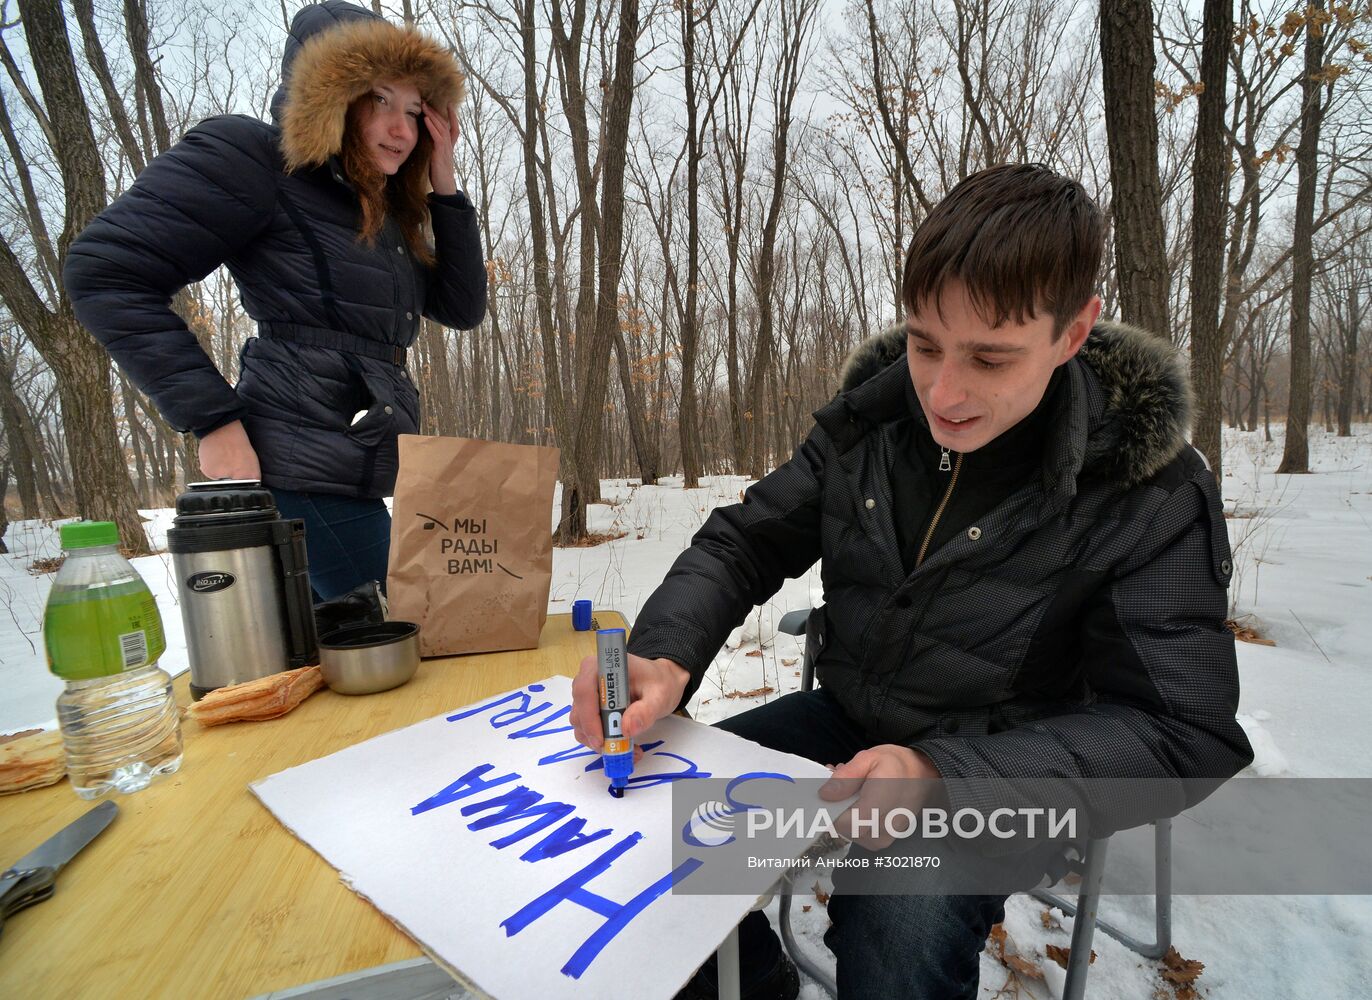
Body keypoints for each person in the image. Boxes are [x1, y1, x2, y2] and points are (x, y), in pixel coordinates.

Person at [569, 164, 1253, 999]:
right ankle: (753, 982)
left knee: (896, 913)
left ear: (1073, 335)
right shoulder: (873, 421)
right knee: (657, 825)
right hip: (850, 717)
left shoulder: (1148, 489)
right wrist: (663, 653)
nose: (944, 390)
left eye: (990, 358)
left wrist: (940, 775)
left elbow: (1182, 728)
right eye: (926, 343)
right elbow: (743, 542)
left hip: (1000, 765)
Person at [64, 0, 486, 600]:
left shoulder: (379, 207)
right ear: (330, 96)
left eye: (415, 111)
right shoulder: (252, 158)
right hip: (293, 461)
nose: (401, 129)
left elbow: (462, 307)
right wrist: (213, 420)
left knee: (344, 660)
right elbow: (105, 270)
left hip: (350, 463)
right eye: (381, 101)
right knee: (410, 631)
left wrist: (442, 179)